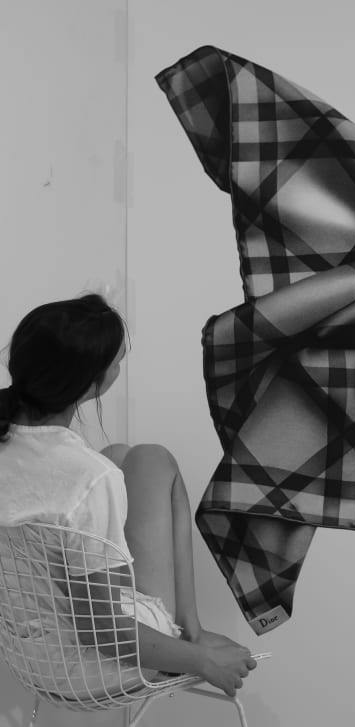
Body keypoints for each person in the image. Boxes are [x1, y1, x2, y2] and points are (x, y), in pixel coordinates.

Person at [0, 293, 257, 697]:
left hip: (27, 653)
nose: (120, 366)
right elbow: (105, 630)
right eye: (117, 361)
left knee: (120, 455)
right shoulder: (88, 477)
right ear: (91, 382)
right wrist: (202, 662)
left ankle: (191, 629)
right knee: (154, 460)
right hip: (97, 662)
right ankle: (191, 632)